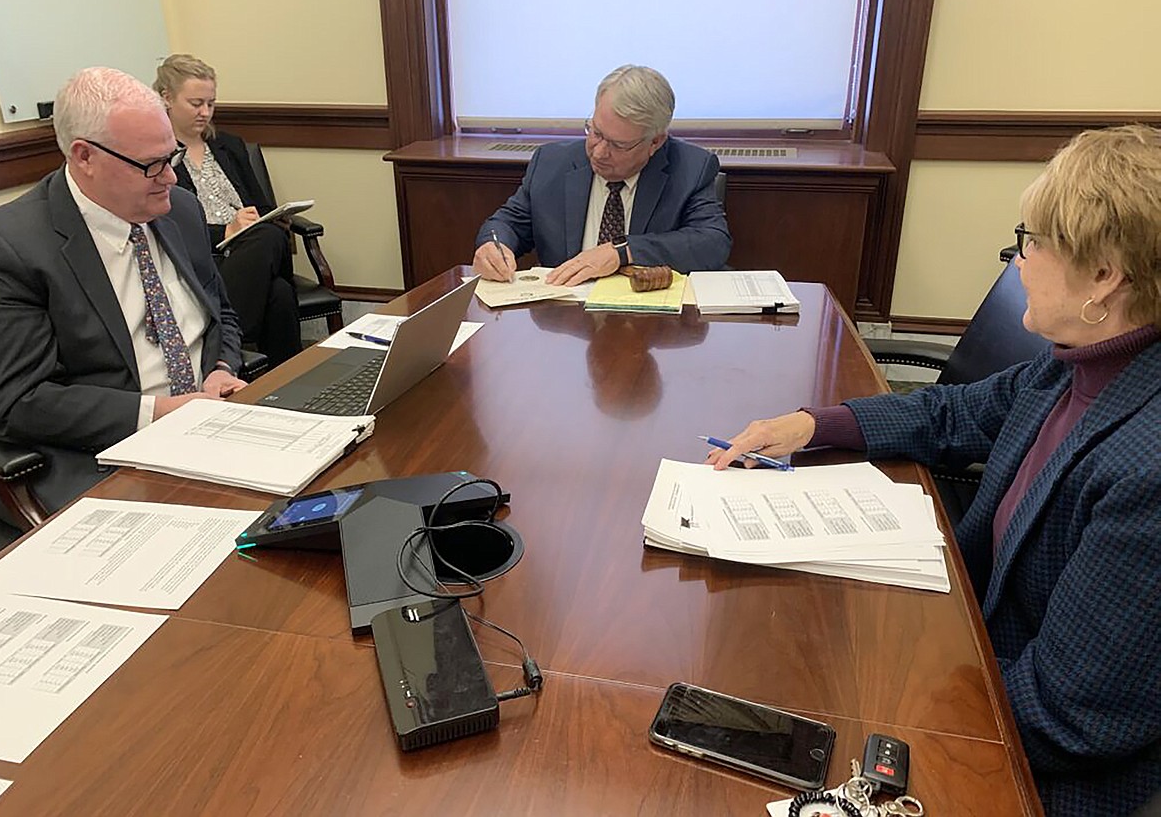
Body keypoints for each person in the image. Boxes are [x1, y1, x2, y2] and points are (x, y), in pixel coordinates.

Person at [709, 125, 1161, 817]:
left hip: (1030, 768)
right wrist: (811, 425)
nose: (1016, 262)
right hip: (970, 655)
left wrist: (882, 698)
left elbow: (1068, 717)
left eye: (1033, 242)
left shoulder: (1146, 470)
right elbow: (953, 415)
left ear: (1106, 276)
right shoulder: (1078, 360)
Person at [0, 67, 246, 512]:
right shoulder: (14, 246)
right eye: (152, 165)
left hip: (213, 425)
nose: (170, 178)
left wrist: (221, 367)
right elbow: (20, 402)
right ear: (84, 157)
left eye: (173, 158)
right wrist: (157, 413)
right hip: (108, 458)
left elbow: (219, 315)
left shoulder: (178, 210)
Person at [472, 65, 731, 286]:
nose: (598, 152)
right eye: (595, 132)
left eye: (618, 145)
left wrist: (622, 251)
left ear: (655, 142)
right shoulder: (552, 163)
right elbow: (507, 223)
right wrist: (492, 245)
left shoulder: (690, 168)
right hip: (565, 320)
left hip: (649, 324)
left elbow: (711, 242)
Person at [153, 54, 301, 367]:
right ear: (166, 98)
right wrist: (227, 231)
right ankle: (265, 369)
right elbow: (168, 226)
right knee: (279, 293)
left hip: (252, 250)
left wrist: (272, 217)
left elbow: (261, 207)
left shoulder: (229, 146)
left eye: (211, 103)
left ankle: (225, 344)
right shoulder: (159, 157)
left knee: (269, 239)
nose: (205, 112)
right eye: (195, 103)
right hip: (207, 259)